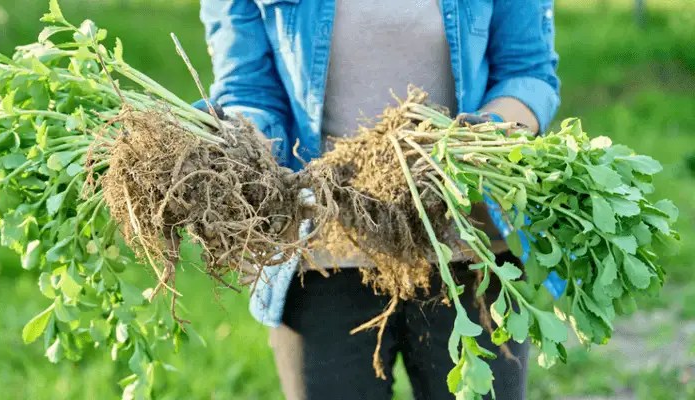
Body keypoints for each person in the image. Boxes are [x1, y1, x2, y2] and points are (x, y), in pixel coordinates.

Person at [198, 1, 560, 399]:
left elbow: (527, 72)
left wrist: (477, 138)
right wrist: (236, 144)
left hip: (467, 248)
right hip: (323, 255)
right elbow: (250, 90)